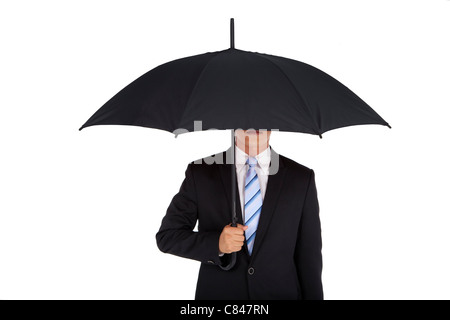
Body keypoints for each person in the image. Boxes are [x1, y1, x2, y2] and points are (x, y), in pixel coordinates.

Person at [156, 129, 323, 300]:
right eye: (249, 114)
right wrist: (218, 244)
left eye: (262, 114)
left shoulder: (301, 178)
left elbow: (309, 259)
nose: (256, 123)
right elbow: (168, 236)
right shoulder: (201, 172)